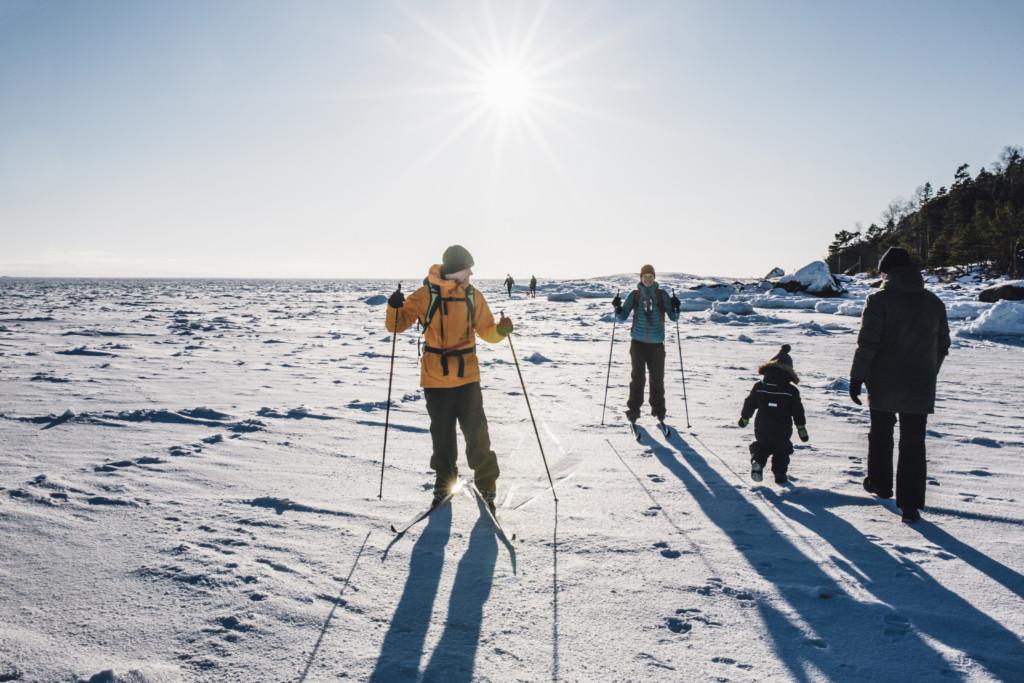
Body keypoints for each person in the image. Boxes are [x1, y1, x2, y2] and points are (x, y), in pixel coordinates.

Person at [386, 245, 513, 512]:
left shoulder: (472, 295)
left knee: (477, 434)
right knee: (442, 437)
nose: (471, 273)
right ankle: (444, 483)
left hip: (468, 377)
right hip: (436, 380)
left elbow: (486, 330)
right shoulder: (425, 295)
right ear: (457, 269)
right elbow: (396, 325)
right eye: (468, 268)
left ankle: (487, 484)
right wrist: (394, 307)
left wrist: (500, 331)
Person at [850, 246, 950, 523]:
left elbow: (868, 343)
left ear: (887, 271)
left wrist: (857, 376)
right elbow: (943, 344)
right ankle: (910, 504)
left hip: (883, 381)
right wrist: (930, 371)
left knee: (881, 433)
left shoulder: (879, 300)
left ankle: (880, 484)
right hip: (920, 382)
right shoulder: (934, 302)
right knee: (913, 442)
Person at [612, 264, 681, 425]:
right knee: (638, 378)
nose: (648, 279)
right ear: (641, 278)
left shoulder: (662, 295)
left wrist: (677, 307)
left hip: (657, 344)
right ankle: (633, 411)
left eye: (651, 276)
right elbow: (622, 317)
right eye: (645, 276)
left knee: (657, 379)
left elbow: (673, 317)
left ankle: (659, 411)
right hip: (638, 343)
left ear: (654, 278)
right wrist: (617, 307)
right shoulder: (635, 295)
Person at [738, 344, 808, 484]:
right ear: (789, 372)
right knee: (782, 450)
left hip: (762, 427)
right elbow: (797, 410)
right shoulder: (791, 391)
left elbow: (750, 403)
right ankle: (780, 474)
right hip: (782, 429)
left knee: (762, 446)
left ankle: (757, 461)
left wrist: (745, 418)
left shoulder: (759, 387)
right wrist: (801, 428)